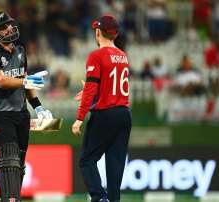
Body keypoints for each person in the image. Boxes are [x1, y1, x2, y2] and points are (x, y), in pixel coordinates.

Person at [0, 11, 53, 202]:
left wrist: (38, 107)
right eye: (4, 27)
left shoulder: (20, 51)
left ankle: (5, 197)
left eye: (10, 24)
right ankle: (11, 199)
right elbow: (2, 80)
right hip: (0, 114)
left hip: (21, 113)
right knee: (9, 158)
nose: (9, 28)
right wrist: (25, 81)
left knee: (18, 164)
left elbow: (26, 83)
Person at [72, 14, 132, 202]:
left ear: (98, 32)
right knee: (115, 167)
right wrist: (93, 92)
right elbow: (110, 86)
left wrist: (79, 118)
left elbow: (91, 87)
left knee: (86, 161)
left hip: (105, 114)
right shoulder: (122, 56)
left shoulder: (96, 55)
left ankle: (99, 198)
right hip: (123, 114)